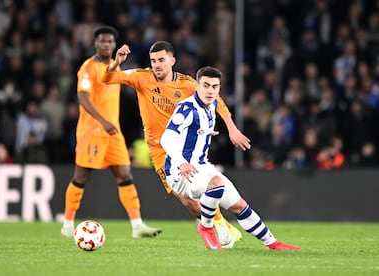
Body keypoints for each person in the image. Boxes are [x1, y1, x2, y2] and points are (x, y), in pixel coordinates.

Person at [102, 41, 251, 248]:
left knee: (199, 191)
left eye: (161, 60)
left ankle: (221, 227)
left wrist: (232, 128)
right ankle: (222, 224)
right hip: (158, 150)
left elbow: (216, 101)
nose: (157, 65)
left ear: (172, 60)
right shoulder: (141, 77)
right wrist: (116, 62)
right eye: (153, 61)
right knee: (187, 201)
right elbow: (107, 78)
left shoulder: (188, 84)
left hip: (184, 149)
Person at [161, 66, 301, 250]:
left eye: (215, 86)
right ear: (196, 86)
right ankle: (206, 227)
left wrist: (206, 132)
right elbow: (166, 138)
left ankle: (272, 243)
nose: (210, 90)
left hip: (202, 167)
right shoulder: (187, 108)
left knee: (239, 205)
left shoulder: (212, 106)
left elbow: (195, 131)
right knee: (217, 183)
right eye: (206, 85)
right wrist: (182, 163)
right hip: (180, 172)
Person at [60, 25, 161, 239]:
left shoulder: (115, 68)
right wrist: (103, 121)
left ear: (114, 44)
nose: (106, 44)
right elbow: (82, 98)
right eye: (102, 41)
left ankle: (137, 226)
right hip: (92, 131)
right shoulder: (88, 67)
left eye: (109, 41)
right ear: (95, 43)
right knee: (81, 176)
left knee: (124, 174)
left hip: (113, 132)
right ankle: (67, 224)